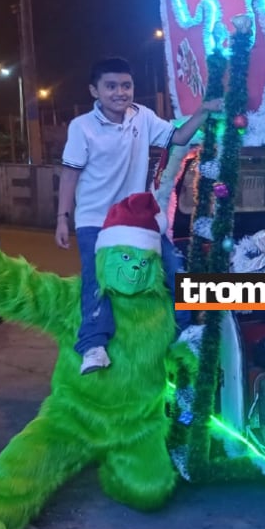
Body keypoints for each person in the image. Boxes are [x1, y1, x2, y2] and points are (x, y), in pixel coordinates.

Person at [56, 56, 222, 375]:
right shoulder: (82, 127)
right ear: (95, 91)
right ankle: (93, 345)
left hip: (138, 218)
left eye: (126, 85)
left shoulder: (142, 117)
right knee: (96, 279)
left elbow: (178, 138)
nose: (120, 92)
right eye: (111, 86)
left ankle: (183, 330)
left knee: (174, 268)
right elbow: (69, 175)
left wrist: (202, 111)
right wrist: (63, 217)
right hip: (96, 219)